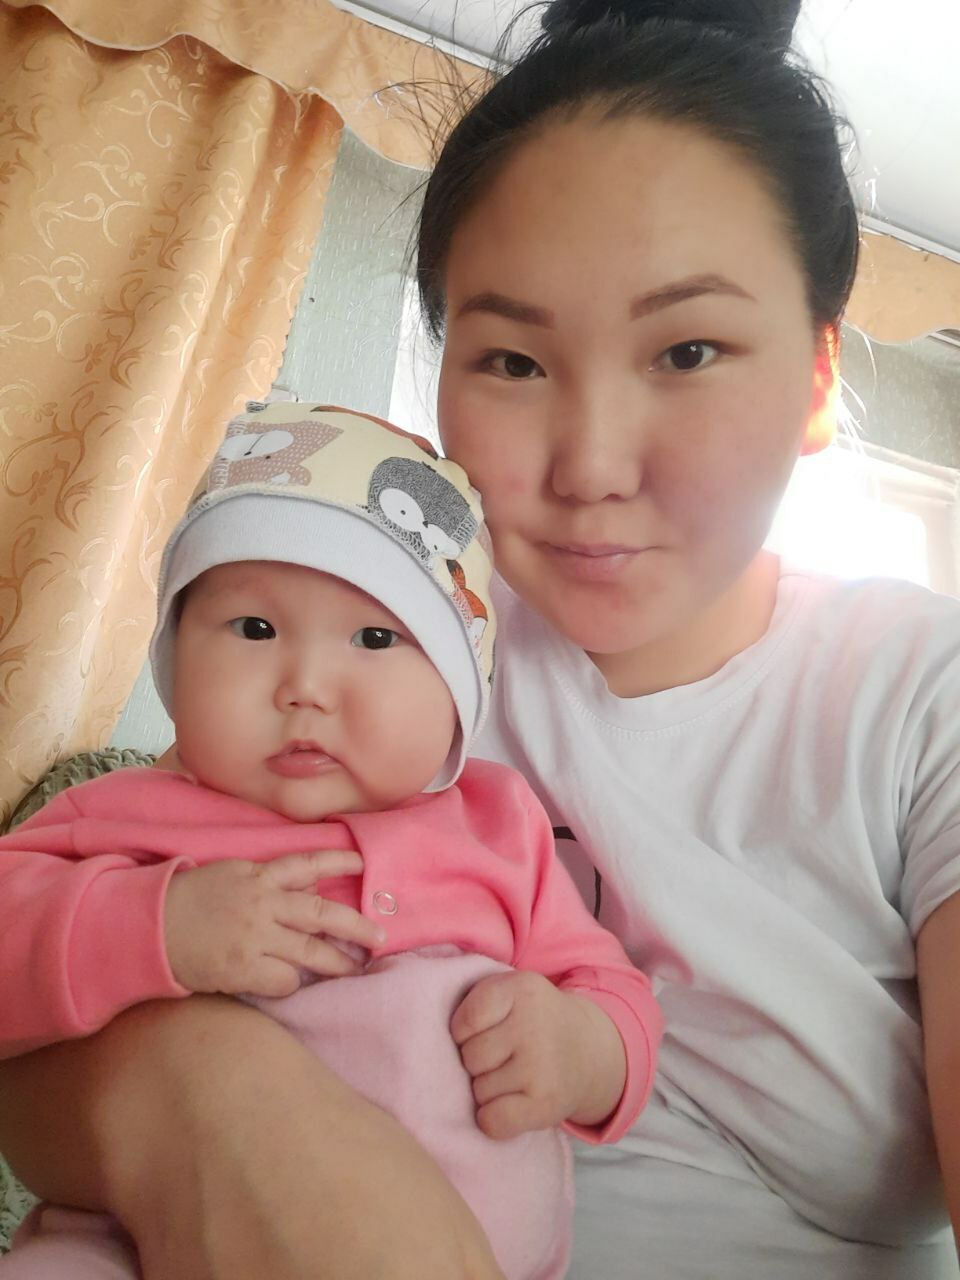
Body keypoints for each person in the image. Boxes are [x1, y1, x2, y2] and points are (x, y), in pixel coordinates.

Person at [1, 0, 959, 1276]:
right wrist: (216, 1096)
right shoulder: (358, 646)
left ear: (819, 378)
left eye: (687, 349)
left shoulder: (920, 694)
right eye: (511, 361)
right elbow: (38, 1069)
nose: (591, 465)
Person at [0, 403, 662, 1279]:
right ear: (172, 655)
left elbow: (614, 992)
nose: (306, 686)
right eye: (254, 629)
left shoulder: (499, 824)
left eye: (376, 637)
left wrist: (579, 1047)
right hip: (129, 1246)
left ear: (458, 691)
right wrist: (156, 923)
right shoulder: (124, 813)